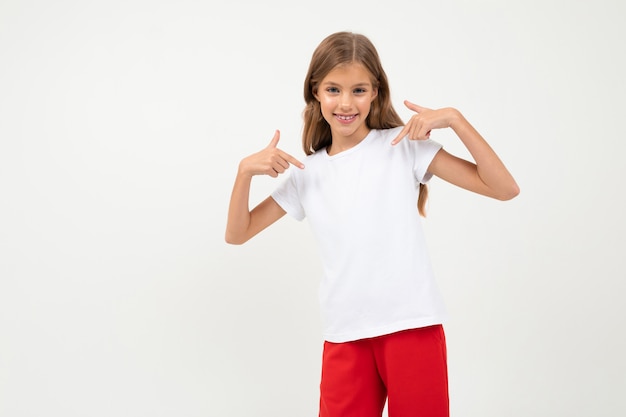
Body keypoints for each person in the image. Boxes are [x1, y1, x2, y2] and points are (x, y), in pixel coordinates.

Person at [225, 31, 519, 417]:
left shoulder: (403, 146)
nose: (346, 103)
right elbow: (237, 233)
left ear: (376, 92)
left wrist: (455, 120)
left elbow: (504, 188)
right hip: (345, 336)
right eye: (333, 89)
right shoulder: (305, 173)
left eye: (359, 90)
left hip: (412, 328)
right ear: (315, 92)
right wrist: (244, 171)